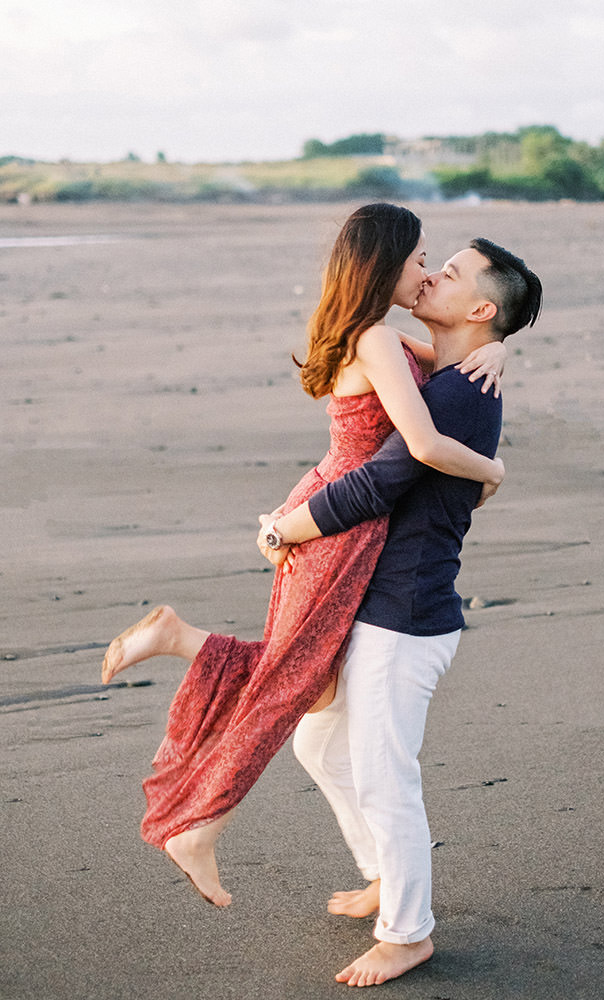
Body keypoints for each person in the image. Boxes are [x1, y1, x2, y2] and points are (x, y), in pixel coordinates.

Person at [100, 204, 507, 908]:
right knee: (290, 685)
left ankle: (182, 640)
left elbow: (453, 356)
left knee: (309, 685)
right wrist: (493, 472)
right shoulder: (380, 340)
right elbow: (417, 447)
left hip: (331, 511)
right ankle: (201, 827)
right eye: (418, 261)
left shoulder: (378, 335)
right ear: (385, 265)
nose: (425, 273)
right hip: (335, 526)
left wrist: (500, 345)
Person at [258, 237, 543, 986]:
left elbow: (377, 484)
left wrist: (282, 528)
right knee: (319, 747)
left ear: (480, 309)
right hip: (382, 603)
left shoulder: (457, 393)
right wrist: (506, 349)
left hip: (406, 614)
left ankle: (408, 931)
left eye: (449, 273)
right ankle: (387, 875)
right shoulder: (447, 370)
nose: (432, 273)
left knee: (385, 776)